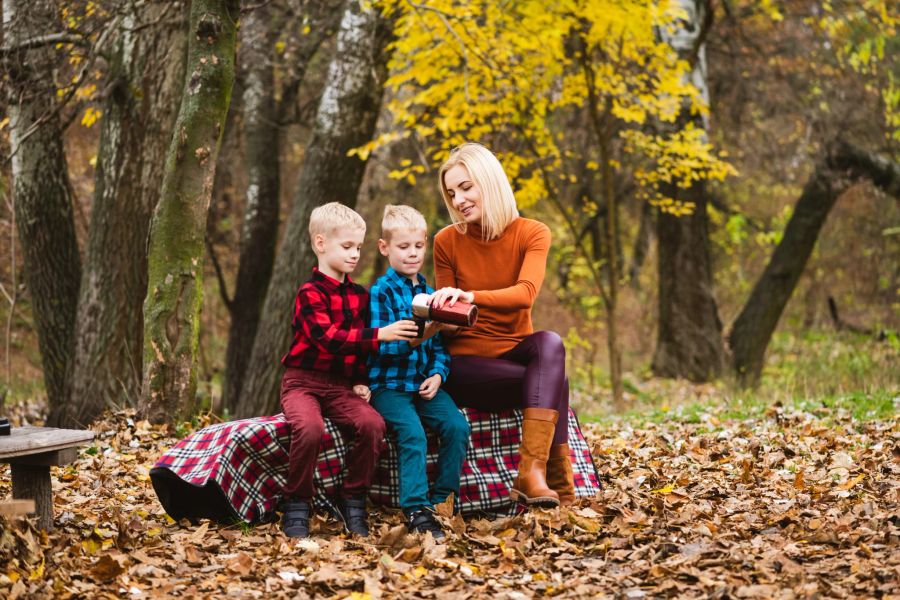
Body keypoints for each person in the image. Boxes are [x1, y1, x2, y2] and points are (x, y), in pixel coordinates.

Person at [428, 143, 575, 508]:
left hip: (514, 352)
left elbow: (525, 294)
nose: (458, 199)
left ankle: (532, 472)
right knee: (557, 382)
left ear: (489, 181)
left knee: (551, 343)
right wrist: (441, 313)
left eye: (466, 187)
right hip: (466, 364)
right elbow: (448, 318)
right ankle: (561, 488)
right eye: (451, 192)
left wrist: (469, 296)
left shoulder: (532, 233)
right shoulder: (446, 241)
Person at [279, 202, 420, 538]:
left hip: (341, 386)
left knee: (372, 424)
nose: (355, 254)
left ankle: (353, 498)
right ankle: (297, 501)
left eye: (358, 247)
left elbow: (356, 353)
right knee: (310, 428)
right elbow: (327, 339)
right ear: (320, 244)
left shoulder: (359, 296)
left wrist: (359, 380)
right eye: (347, 247)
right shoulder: (309, 293)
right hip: (303, 383)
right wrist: (380, 335)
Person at [367, 205, 471, 540]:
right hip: (390, 387)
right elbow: (383, 347)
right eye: (403, 247)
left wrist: (439, 374)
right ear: (385, 248)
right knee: (412, 433)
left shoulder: (429, 289)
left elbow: (440, 346)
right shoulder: (381, 292)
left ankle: (444, 500)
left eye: (417, 246)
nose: (412, 254)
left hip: (424, 384)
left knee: (456, 424)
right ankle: (416, 507)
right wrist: (424, 332)